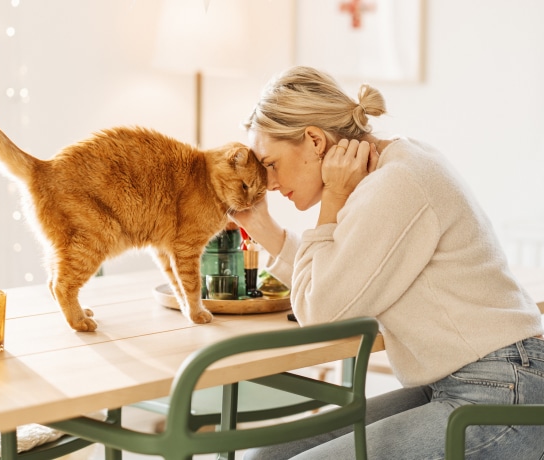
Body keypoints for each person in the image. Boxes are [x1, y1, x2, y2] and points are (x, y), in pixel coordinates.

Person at [231, 66, 544, 459]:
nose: (270, 183)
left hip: (501, 392)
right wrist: (260, 225)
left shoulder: (394, 184)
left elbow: (322, 313)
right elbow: (340, 281)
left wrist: (333, 199)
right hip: (472, 382)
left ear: (314, 140)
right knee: (267, 456)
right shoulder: (394, 165)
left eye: (271, 163)